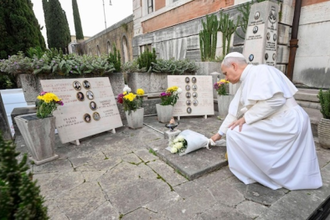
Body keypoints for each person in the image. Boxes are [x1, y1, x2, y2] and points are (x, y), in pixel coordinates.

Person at [211, 52, 322, 190]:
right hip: (280, 120)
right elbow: (234, 113)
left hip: (288, 122)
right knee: (234, 131)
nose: (225, 78)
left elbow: (276, 100)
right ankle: (257, 169)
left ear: (234, 66)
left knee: (235, 133)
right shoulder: (246, 80)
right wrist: (219, 133)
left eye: (225, 73)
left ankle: (256, 172)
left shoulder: (262, 71)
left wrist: (246, 118)